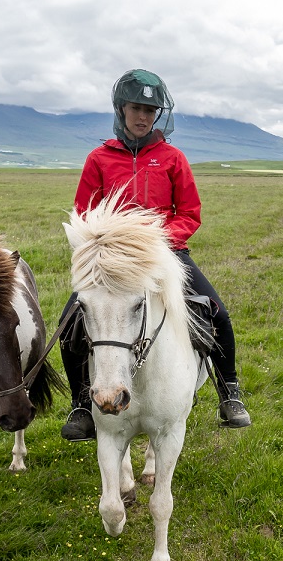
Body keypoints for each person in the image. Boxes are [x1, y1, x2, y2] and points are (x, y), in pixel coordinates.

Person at [58, 69, 251, 441]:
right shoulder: (99, 159)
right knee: (71, 324)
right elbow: (84, 213)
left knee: (217, 312)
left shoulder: (172, 158)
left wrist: (159, 243)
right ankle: (82, 403)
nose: (143, 116)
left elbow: (189, 213)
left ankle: (229, 393)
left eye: (150, 109)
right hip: (111, 263)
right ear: (121, 110)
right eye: (136, 108)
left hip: (167, 256)